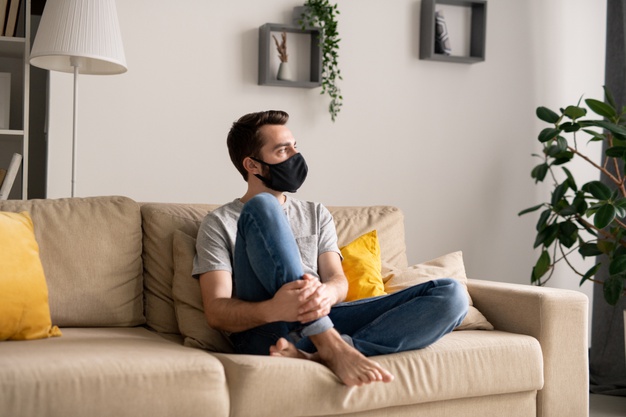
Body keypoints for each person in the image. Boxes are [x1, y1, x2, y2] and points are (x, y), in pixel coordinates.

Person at [193, 110, 468, 387]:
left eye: (295, 147)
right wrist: (275, 309)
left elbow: (338, 281)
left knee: (452, 294)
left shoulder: (316, 214)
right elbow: (217, 312)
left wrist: (325, 293)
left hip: (325, 319)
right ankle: (331, 346)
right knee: (263, 206)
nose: (294, 156)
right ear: (252, 165)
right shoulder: (219, 222)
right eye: (282, 151)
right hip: (266, 329)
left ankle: (318, 354)